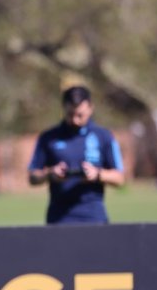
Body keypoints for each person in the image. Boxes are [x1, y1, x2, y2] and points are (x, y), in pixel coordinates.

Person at [28, 86, 125, 224]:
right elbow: (32, 177)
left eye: (80, 115)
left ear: (91, 108)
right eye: (70, 114)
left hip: (94, 217)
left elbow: (120, 178)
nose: (75, 120)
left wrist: (97, 174)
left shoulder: (104, 136)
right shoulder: (48, 137)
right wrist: (50, 174)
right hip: (59, 219)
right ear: (63, 108)